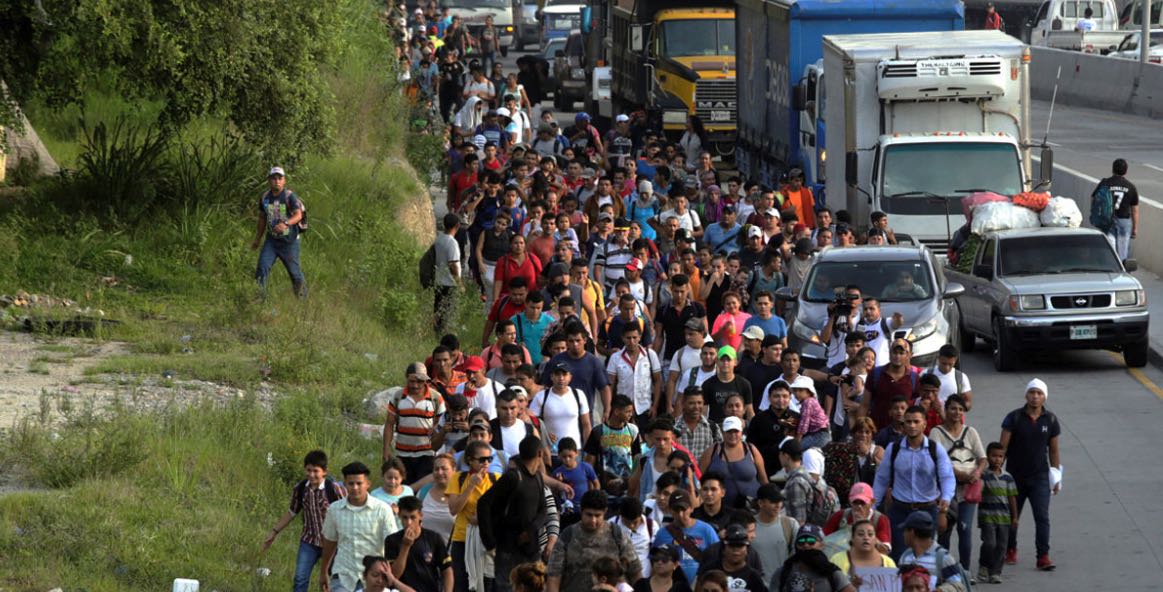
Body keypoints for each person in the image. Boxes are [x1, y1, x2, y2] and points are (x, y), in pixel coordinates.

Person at [872, 406, 956, 562]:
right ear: (903, 424)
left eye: (916, 422)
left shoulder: (935, 449)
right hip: (899, 510)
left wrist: (946, 499)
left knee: (925, 558)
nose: (912, 426)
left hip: (927, 510)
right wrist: (873, 506)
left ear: (924, 424)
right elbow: (881, 479)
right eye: (908, 422)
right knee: (898, 556)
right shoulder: (893, 448)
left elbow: (947, 477)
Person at [263, 450, 347, 592]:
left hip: (333, 544)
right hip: (309, 541)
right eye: (308, 470)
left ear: (324, 472)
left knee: (334, 582)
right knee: (300, 578)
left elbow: (348, 511)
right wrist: (274, 532)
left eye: (316, 471)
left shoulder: (334, 489)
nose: (311, 474)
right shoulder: (301, 488)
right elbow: (292, 512)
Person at [1000, 378, 1061, 571]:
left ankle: (1043, 556)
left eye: (1039, 393)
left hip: (1040, 477)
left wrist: (1056, 476)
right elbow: (1002, 447)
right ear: (1026, 395)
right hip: (1014, 477)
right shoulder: (1014, 418)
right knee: (1012, 516)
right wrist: (996, 473)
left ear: (1044, 397)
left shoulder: (1050, 420)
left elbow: (1053, 450)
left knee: (1042, 517)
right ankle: (1010, 549)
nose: (1035, 396)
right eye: (1032, 392)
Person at [479, 436, 551, 592]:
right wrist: (489, 540)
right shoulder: (513, 477)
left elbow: (543, 509)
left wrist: (530, 530)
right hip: (508, 548)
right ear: (539, 454)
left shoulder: (538, 477)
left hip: (531, 548)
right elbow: (484, 503)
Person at [321, 462, 402, 592]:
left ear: (368, 484)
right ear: (344, 484)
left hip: (374, 579)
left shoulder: (382, 510)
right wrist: (324, 571)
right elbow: (330, 542)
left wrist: (389, 576)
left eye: (359, 483)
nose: (355, 488)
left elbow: (392, 544)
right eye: (351, 483)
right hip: (343, 576)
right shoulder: (334, 509)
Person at [928, 394, 986, 571]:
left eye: (960, 409)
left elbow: (982, 458)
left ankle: (965, 571)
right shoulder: (936, 432)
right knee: (944, 529)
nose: (957, 412)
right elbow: (936, 459)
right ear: (946, 410)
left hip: (969, 489)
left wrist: (977, 472)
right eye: (953, 408)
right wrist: (958, 474)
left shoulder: (971, 432)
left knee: (965, 528)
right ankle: (944, 570)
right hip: (946, 489)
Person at [547, 490, 643, 592]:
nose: (593, 520)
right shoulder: (568, 536)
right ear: (581, 511)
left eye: (597, 515)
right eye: (589, 515)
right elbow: (554, 576)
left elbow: (635, 572)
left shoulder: (617, 534)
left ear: (605, 512)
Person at [446, 440, 503, 592]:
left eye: (489, 459)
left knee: (487, 585)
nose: (486, 463)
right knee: (461, 585)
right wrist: (470, 486)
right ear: (470, 460)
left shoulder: (496, 479)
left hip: (487, 539)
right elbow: (454, 509)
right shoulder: (458, 478)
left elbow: (503, 510)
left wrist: (483, 518)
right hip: (462, 539)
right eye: (482, 459)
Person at [385, 363, 448, 481]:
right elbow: (389, 423)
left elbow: (441, 423)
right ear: (406, 378)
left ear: (426, 381)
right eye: (412, 381)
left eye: (419, 382)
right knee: (404, 488)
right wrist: (386, 449)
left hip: (426, 454)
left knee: (423, 488)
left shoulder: (436, 398)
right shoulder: (398, 396)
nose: (415, 385)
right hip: (402, 454)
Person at [253, 166, 307, 298]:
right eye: (274, 178)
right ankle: (260, 300)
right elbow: (262, 218)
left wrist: (286, 223)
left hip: (290, 242)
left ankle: (302, 300)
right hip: (271, 241)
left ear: (284, 181)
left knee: (295, 274)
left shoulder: (289, 196)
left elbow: (298, 215)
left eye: (279, 178)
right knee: (262, 268)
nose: (276, 181)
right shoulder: (265, 197)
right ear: (269, 180)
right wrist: (258, 239)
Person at [386, 496, 454, 592]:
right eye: (405, 517)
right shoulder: (391, 540)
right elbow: (394, 576)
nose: (409, 523)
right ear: (399, 515)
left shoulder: (433, 538)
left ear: (420, 516)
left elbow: (447, 569)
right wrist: (405, 546)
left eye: (413, 517)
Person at [652, 490, 720, 583]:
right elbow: (654, 563)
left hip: (700, 584)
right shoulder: (662, 534)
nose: (680, 514)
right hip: (672, 585)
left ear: (691, 508)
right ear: (670, 510)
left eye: (683, 509)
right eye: (676, 510)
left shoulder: (706, 530)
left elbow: (718, 557)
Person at [700, 417, 767, 508]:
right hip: (720, 509)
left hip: (750, 508)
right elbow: (699, 478)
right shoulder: (712, 451)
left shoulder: (751, 450)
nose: (732, 435)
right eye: (729, 431)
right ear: (723, 432)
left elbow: (763, 479)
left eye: (736, 431)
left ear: (741, 432)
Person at [977, 442, 1018, 584]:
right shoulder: (983, 476)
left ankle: (995, 572)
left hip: (1004, 518)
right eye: (994, 456)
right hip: (987, 516)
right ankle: (983, 566)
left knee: (1001, 546)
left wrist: (1015, 517)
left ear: (1004, 458)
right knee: (989, 543)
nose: (997, 459)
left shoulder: (1008, 477)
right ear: (988, 457)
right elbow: (978, 493)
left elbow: (1012, 498)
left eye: (1000, 456)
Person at [769, 524, 855, 592]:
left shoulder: (832, 572)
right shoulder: (783, 572)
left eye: (811, 541)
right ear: (796, 545)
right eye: (801, 541)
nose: (806, 545)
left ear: (821, 545)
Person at [532, 362, 594, 456]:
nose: (561, 378)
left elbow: (586, 424)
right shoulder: (541, 396)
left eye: (564, 374)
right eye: (557, 374)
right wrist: (544, 434)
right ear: (551, 377)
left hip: (575, 452)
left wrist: (588, 451)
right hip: (550, 452)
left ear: (570, 377)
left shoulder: (579, 395)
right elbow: (532, 421)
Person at [608, 324, 664, 425]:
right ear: (623, 338)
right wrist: (609, 407)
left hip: (645, 409)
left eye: (634, 337)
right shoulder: (615, 358)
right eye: (628, 338)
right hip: (622, 410)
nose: (632, 341)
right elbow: (610, 385)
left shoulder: (650, 355)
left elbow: (658, 381)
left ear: (640, 337)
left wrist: (655, 407)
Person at [896, 511, 966, 592]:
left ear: (912, 532)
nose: (903, 534)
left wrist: (940, 590)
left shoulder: (943, 558)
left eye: (905, 531)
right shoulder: (905, 557)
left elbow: (958, 586)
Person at [584, 395, 643, 489]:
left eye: (631, 411)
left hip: (627, 485)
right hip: (604, 485)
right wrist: (592, 487)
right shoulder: (598, 431)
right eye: (627, 411)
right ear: (616, 412)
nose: (630, 414)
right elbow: (589, 462)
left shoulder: (633, 430)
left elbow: (637, 457)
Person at [746, 380, 799, 474]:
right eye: (776, 396)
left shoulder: (796, 418)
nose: (781, 400)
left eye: (785, 396)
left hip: (791, 472)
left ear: (790, 397)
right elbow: (751, 447)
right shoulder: (758, 419)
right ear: (769, 398)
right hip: (764, 469)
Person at [822, 483, 891, 554]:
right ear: (850, 501)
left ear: (872, 502)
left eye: (863, 503)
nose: (859, 506)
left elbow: (884, 550)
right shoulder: (841, 516)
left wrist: (864, 527)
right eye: (855, 502)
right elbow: (822, 539)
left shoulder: (880, 519)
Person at [700, 523, 768, 592]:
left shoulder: (754, 577)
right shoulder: (708, 571)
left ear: (747, 550)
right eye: (732, 546)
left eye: (740, 546)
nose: (736, 550)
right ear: (723, 549)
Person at [752, 485, 800, 582]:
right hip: (757, 585)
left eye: (780, 501)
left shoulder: (790, 524)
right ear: (760, 503)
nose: (778, 505)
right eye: (773, 502)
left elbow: (797, 556)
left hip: (783, 584)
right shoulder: (749, 525)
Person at [1095, 158, 1139, 260]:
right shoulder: (1130, 187)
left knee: (1110, 248)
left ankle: (1111, 265)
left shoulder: (1105, 183)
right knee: (1123, 250)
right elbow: (1135, 210)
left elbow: (1094, 199)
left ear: (1113, 169)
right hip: (1124, 221)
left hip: (1107, 219)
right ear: (1126, 171)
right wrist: (1135, 228)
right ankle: (1122, 266)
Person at [828, 520, 895, 581]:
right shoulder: (837, 559)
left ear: (875, 540)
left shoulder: (888, 562)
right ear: (852, 538)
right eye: (861, 534)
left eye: (870, 534)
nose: (866, 538)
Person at [674, 386, 723, 463]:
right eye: (691, 403)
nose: (696, 407)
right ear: (683, 404)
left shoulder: (713, 428)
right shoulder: (673, 427)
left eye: (699, 403)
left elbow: (721, 455)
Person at [416, 453, 457, 543]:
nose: (440, 472)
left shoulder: (461, 494)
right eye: (436, 469)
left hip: (454, 550)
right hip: (425, 548)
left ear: (454, 470)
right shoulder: (423, 492)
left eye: (444, 468)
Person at [553, 436, 601, 510]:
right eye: (564, 457)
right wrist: (558, 482)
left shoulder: (585, 467)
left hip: (584, 506)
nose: (567, 459)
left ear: (576, 453)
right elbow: (554, 492)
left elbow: (596, 484)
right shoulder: (557, 472)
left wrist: (594, 498)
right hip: (566, 508)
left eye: (570, 456)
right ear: (559, 455)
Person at [434, 213, 463, 334]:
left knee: (438, 311)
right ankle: (442, 334)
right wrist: (459, 283)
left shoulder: (439, 238)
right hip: (449, 283)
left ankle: (436, 333)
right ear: (457, 225)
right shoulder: (452, 243)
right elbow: (453, 265)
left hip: (438, 280)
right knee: (447, 313)